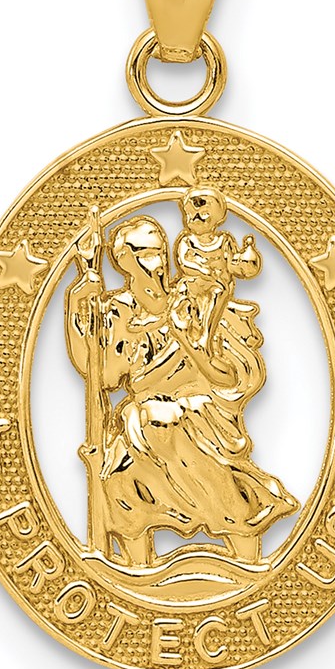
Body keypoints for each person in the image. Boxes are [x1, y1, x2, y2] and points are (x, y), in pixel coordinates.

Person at [65, 214, 297, 566]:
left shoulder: (191, 300)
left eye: (159, 252)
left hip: (199, 415)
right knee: (120, 472)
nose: (157, 263)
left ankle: (247, 564)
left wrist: (191, 344)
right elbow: (103, 376)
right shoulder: (117, 312)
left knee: (217, 476)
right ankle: (137, 570)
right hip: (142, 424)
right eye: (144, 254)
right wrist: (79, 298)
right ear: (124, 261)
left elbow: (230, 374)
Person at [171, 188, 262, 375]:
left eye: (203, 213)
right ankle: (201, 336)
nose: (195, 218)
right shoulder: (187, 241)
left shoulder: (224, 240)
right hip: (194, 284)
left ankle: (206, 334)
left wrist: (245, 261)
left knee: (219, 291)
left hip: (217, 287)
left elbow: (232, 264)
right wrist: (201, 270)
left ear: (217, 217)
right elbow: (183, 262)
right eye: (190, 214)